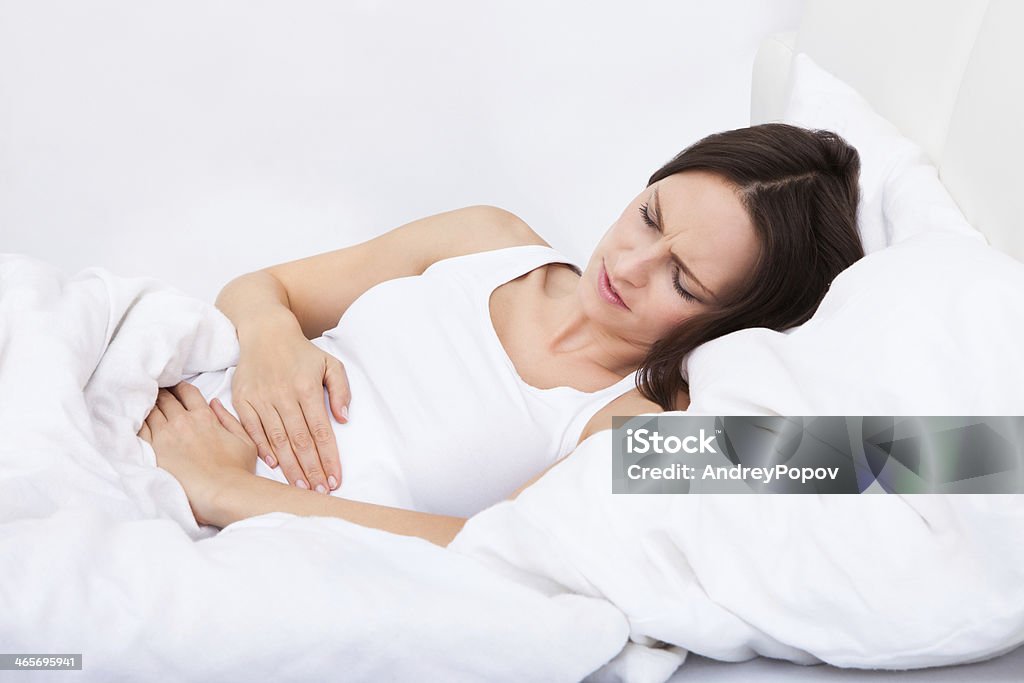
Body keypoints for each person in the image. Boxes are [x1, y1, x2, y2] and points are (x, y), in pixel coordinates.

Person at [137, 123, 864, 547]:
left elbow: (481, 552)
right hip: (152, 414)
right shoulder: (488, 239)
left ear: (728, 322)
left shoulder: (626, 419)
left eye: (684, 280)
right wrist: (271, 339)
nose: (629, 264)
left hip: (217, 518)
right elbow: (267, 288)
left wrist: (220, 489)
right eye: (649, 215)